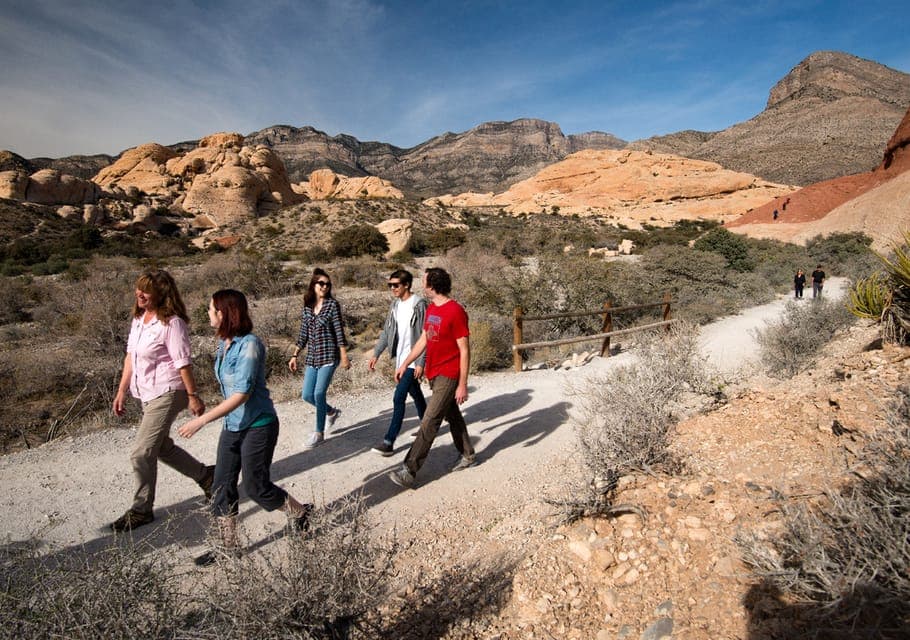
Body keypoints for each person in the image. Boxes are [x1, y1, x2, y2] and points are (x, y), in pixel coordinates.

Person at [178, 289, 313, 566]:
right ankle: (228, 545)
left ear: (226, 313)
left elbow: (242, 394)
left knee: (255, 485)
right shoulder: (224, 344)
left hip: (259, 424)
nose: (208, 314)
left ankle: (299, 513)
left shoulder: (250, 344)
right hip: (233, 424)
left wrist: (202, 420)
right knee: (221, 484)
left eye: (212, 309)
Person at [110, 269, 213, 532]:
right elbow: (130, 357)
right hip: (145, 392)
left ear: (161, 293)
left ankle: (141, 509)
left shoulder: (172, 323)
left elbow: (183, 362)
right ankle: (207, 477)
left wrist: (192, 396)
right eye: (138, 288)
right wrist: (122, 390)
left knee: (142, 453)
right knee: (161, 446)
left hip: (169, 391)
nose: (139, 293)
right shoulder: (139, 319)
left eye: (146, 289)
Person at [389, 267, 475, 489]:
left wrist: (462, 384)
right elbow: (424, 339)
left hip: (449, 374)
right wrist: (406, 363)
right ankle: (467, 454)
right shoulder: (432, 309)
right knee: (452, 416)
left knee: (430, 420)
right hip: (434, 373)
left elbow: (464, 350)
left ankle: (409, 469)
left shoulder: (455, 311)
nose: (421, 284)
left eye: (424, 280)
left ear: (432, 285)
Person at [368, 270, 428, 456]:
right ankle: (428, 425)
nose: (392, 288)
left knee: (398, 397)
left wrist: (420, 362)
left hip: (413, 360)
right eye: (390, 285)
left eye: (396, 285)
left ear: (407, 285)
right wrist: (376, 353)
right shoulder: (395, 306)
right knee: (416, 393)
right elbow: (387, 332)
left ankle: (389, 441)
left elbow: (428, 336)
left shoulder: (419, 305)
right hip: (401, 360)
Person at [289, 268, 350, 449]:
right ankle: (331, 412)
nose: (325, 286)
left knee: (318, 394)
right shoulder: (307, 307)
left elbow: (339, 331)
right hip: (312, 357)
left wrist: (344, 355)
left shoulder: (332, 305)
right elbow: (303, 334)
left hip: (329, 355)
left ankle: (318, 433)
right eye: (321, 283)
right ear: (313, 285)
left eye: (328, 284)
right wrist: (295, 355)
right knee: (307, 395)